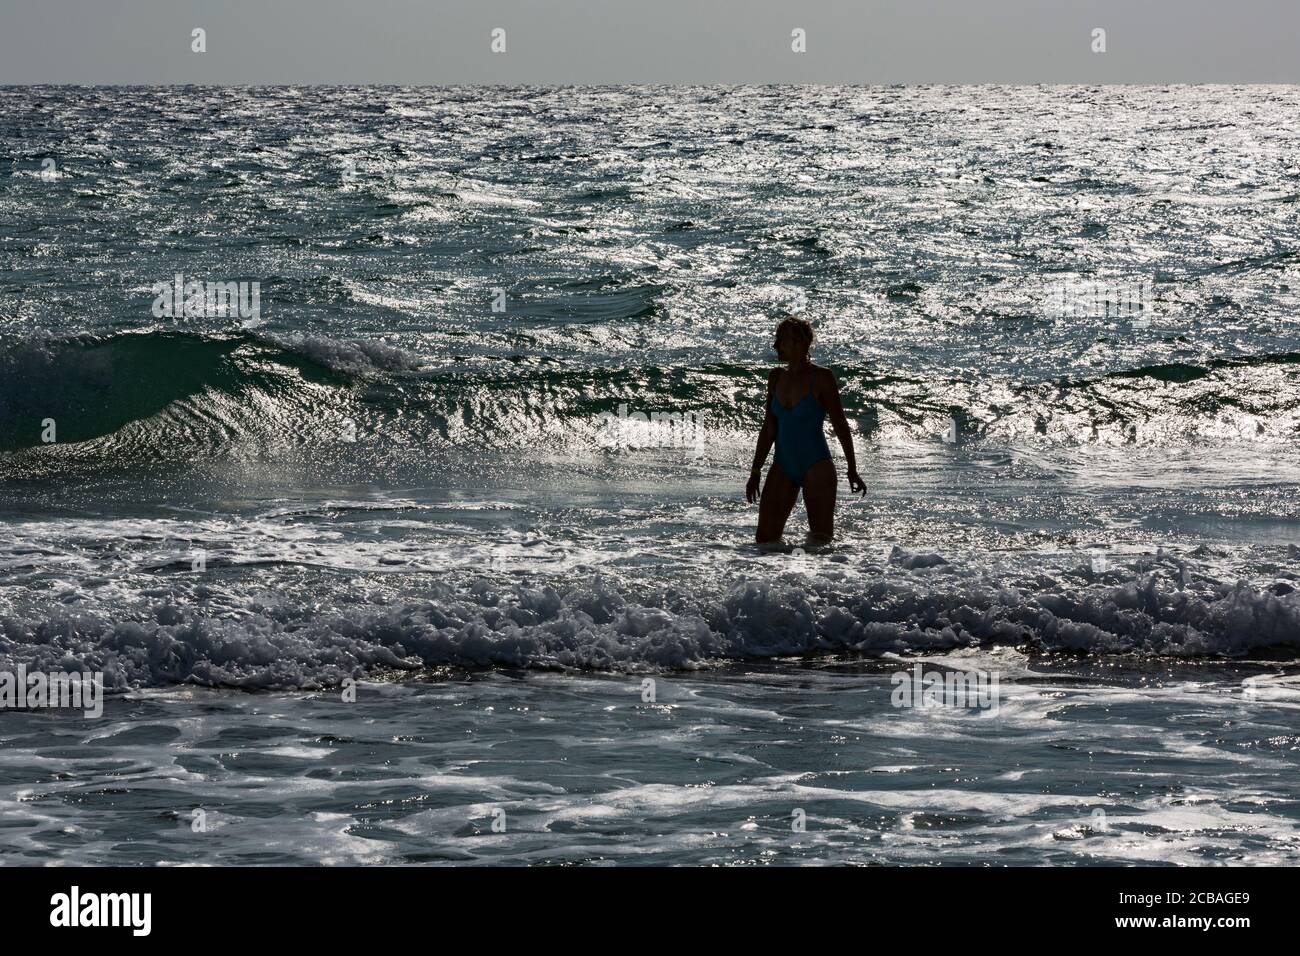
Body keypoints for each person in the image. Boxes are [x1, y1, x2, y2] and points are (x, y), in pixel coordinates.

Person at [746, 314, 865, 544]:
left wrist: (851, 469)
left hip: (816, 466)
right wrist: (755, 471)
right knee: (764, 541)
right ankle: (767, 580)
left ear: (799, 343)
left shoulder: (822, 378)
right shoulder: (775, 378)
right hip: (783, 465)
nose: (775, 345)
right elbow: (769, 428)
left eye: (781, 339)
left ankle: (821, 580)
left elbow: (841, 426)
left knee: (820, 541)